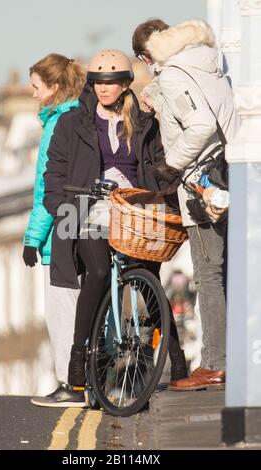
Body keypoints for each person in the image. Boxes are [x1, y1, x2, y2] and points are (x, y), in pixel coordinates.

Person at [44, 49, 188, 404]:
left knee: (147, 277)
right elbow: (55, 173)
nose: (104, 88)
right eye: (98, 82)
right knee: (95, 272)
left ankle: (178, 360)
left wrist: (164, 199)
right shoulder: (71, 123)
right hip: (86, 209)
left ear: (125, 84)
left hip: (134, 211)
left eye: (111, 82)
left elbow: (159, 167)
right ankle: (78, 366)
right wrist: (62, 206)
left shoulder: (144, 123)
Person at [132, 19, 239, 390]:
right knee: (229, 272)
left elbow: (200, 124)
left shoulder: (176, 74)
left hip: (201, 182)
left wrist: (170, 164)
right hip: (230, 174)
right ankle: (231, 357)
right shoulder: (206, 62)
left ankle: (214, 363)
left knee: (209, 274)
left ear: (148, 54)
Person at [22, 53, 87, 407]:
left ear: (54, 87)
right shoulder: (85, 117)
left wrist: (33, 239)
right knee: (86, 310)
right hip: (86, 225)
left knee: (62, 313)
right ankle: (90, 382)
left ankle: (69, 383)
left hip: (57, 235)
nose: (33, 95)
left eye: (36, 87)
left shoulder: (56, 125)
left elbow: (48, 188)